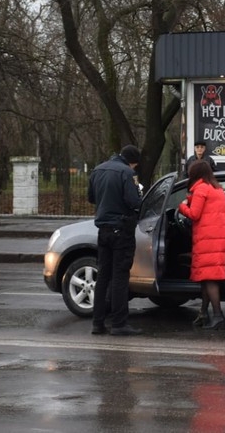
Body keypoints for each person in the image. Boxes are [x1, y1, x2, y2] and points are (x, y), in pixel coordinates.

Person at [87, 144, 144, 336]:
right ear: (133, 162)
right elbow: (134, 201)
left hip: (103, 230)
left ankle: (97, 323)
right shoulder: (127, 173)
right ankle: (119, 324)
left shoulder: (98, 169)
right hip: (122, 229)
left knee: (102, 276)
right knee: (120, 277)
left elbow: (91, 197)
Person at [178, 160, 225, 330]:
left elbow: (194, 214)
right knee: (207, 278)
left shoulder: (201, 189)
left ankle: (217, 315)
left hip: (207, 239)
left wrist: (182, 206)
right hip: (217, 238)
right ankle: (204, 313)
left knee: (209, 279)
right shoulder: (217, 189)